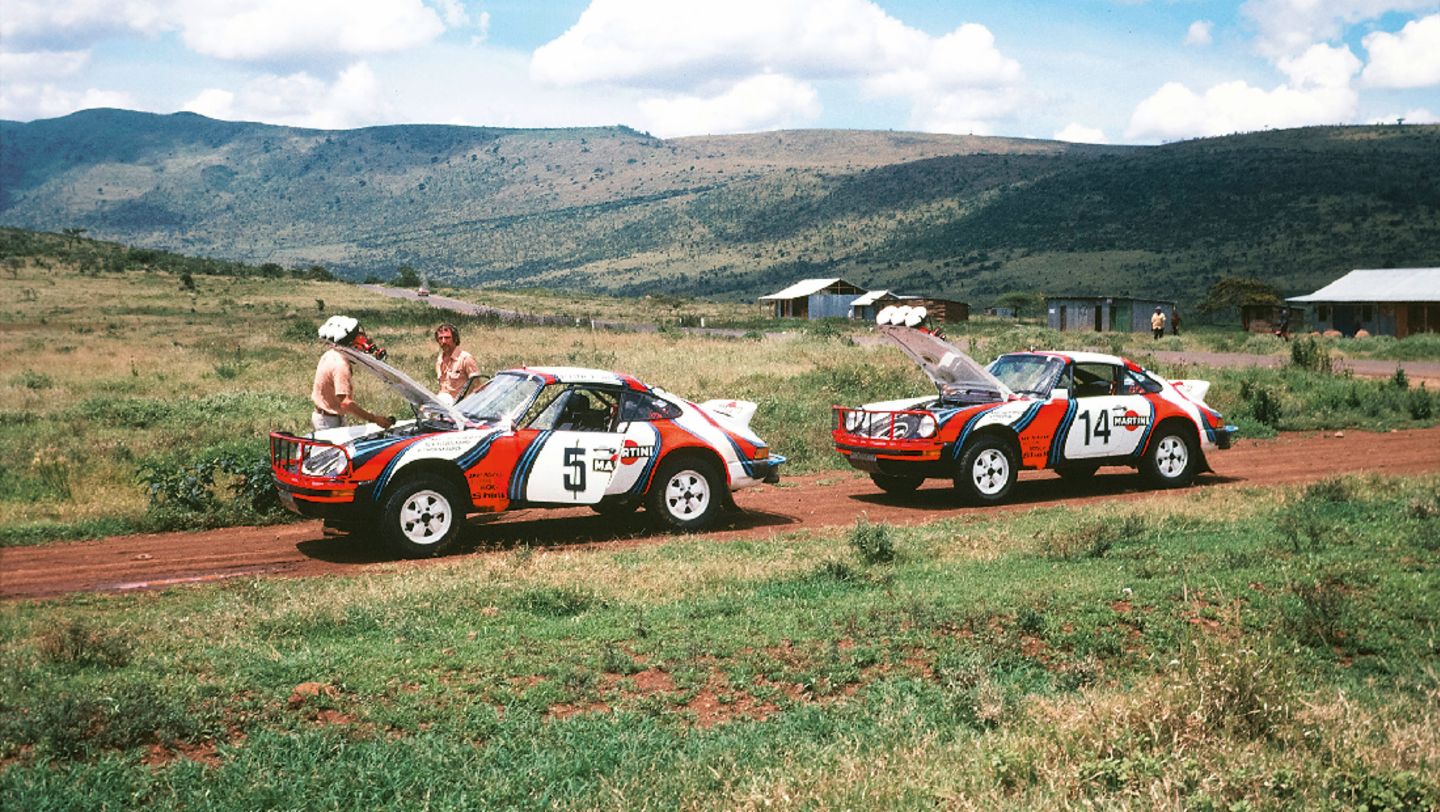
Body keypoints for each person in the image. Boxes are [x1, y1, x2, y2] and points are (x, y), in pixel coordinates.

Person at [311, 315, 394, 432]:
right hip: (328, 421)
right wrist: (374, 419)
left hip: (328, 415)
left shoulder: (332, 353)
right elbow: (346, 403)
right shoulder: (341, 366)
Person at [434, 322, 481, 402]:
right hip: (443, 406)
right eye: (440, 338)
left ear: (455, 339)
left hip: (461, 408)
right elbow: (442, 387)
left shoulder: (465, 358)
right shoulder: (439, 360)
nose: (443, 341)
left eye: (447, 338)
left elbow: (477, 387)